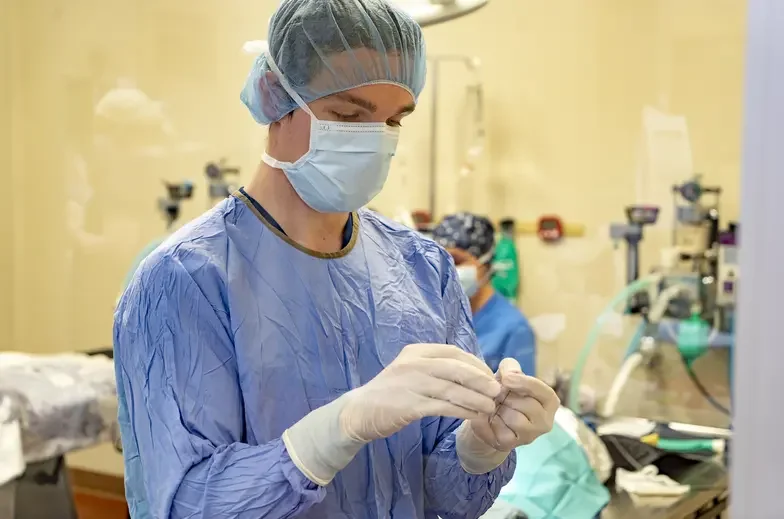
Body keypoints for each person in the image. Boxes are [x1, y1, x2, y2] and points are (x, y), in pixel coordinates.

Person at [113, 1, 559, 518]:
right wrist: (334, 431)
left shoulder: (423, 269)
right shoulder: (186, 279)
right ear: (274, 96)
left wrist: (479, 446)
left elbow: (438, 495)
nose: (375, 140)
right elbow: (184, 503)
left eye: (394, 120)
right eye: (348, 116)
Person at [432, 213, 536, 375]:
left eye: (457, 261)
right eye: (439, 261)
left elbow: (520, 396)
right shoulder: (437, 315)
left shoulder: (513, 329)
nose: (446, 270)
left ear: (485, 262)